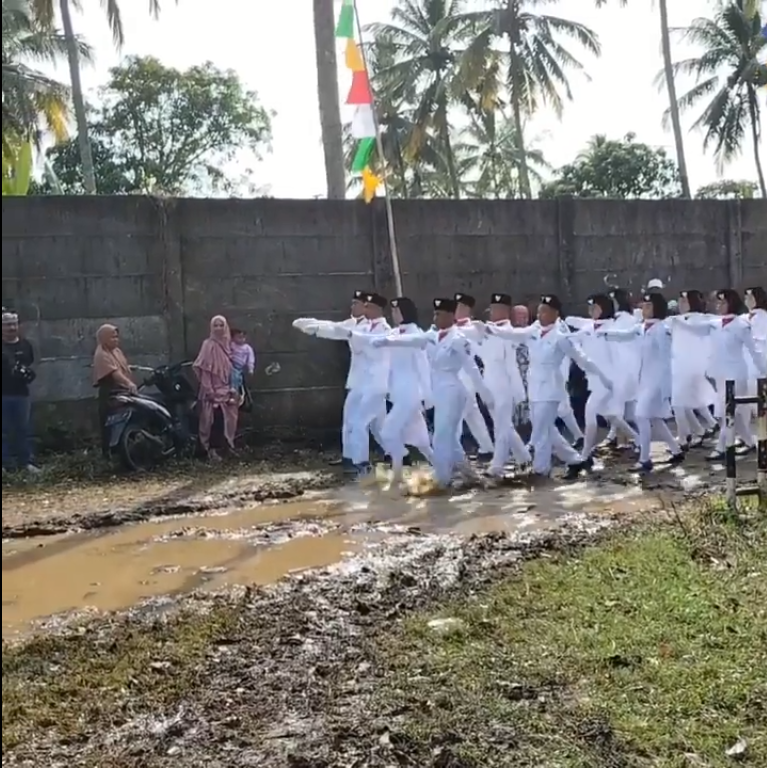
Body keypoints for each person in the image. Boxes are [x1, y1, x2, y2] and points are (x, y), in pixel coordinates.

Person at [485, 295, 605, 480]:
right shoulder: (534, 330)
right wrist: (491, 329)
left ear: (555, 314)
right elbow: (515, 334)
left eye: (545, 312)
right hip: (534, 388)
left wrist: (602, 377)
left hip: (550, 389)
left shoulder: (560, 336)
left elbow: (581, 359)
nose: (540, 315)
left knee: (540, 431)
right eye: (539, 311)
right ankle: (576, 460)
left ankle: (541, 470)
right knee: (548, 430)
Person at [598, 293, 684, 472]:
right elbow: (625, 335)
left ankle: (645, 459)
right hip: (644, 380)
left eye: (648, 306)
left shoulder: (662, 329)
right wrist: (604, 333)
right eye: (643, 305)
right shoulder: (642, 327)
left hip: (657, 382)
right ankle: (676, 450)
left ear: (657, 308)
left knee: (641, 416)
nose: (644, 309)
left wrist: (666, 388)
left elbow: (667, 360)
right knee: (655, 419)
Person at [453, 292, 494, 459]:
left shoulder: (472, 328)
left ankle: (453, 451)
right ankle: (487, 448)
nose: (456, 311)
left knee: (456, 416)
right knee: (472, 416)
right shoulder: (456, 328)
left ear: (467, 309)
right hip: (458, 377)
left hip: (468, 378)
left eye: (460, 307)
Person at [193, 315, 238, 460]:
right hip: (213, 391)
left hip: (227, 391)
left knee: (229, 421)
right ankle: (211, 450)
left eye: (221, 325)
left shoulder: (228, 346)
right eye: (215, 325)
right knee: (213, 421)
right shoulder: (208, 345)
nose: (218, 328)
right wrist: (209, 390)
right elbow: (204, 370)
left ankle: (227, 447)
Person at [2, 308, 39, 473]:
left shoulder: (26, 345)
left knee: (24, 429)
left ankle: (26, 462)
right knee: (3, 431)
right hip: (3, 393)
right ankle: (4, 464)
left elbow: (32, 365)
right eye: (7, 324)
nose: (11, 328)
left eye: (14, 324)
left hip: (21, 393)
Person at [92, 324, 137, 457]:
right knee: (109, 422)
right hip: (110, 391)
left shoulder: (116, 351)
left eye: (117, 337)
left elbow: (122, 366)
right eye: (112, 337)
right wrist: (128, 383)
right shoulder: (101, 354)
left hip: (122, 390)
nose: (116, 340)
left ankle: (126, 449)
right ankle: (108, 453)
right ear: (104, 338)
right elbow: (114, 373)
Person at [229, 328, 255, 393]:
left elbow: (250, 358)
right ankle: (233, 387)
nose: (242, 339)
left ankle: (238, 389)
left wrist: (250, 368)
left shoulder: (247, 348)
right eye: (239, 337)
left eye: (243, 337)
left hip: (241, 366)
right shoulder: (232, 345)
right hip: (232, 364)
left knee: (239, 378)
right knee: (233, 375)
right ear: (233, 338)